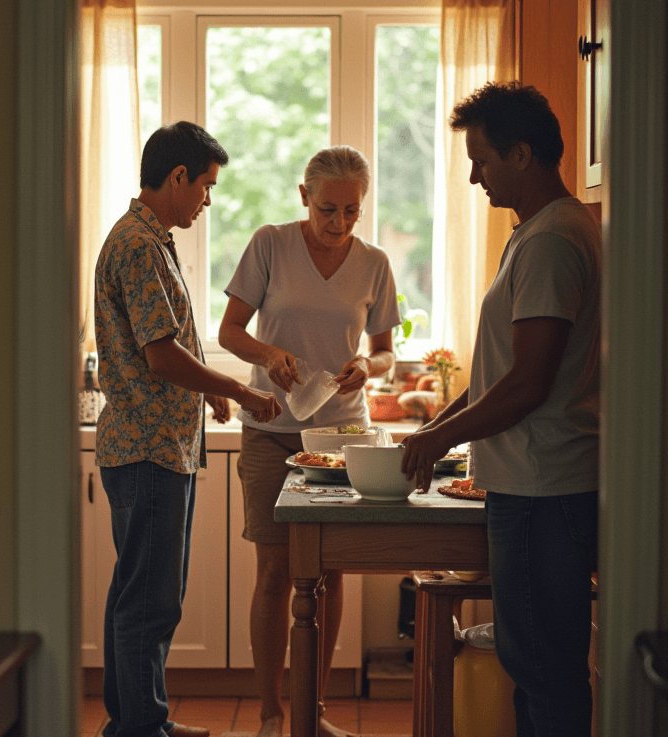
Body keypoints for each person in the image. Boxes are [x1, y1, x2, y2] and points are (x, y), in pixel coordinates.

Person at [401, 82, 601, 737]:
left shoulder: (551, 241)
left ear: (522, 154)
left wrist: (439, 440)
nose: (472, 177)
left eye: (481, 160)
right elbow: (501, 372)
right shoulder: (542, 231)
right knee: (535, 664)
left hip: (544, 486)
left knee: (543, 669)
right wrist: (437, 426)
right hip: (534, 482)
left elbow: (528, 384)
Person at [95, 121, 282, 737]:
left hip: (152, 446)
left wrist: (209, 395)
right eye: (206, 186)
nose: (207, 200)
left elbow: (164, 346)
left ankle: (136, 721)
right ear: (178, 177)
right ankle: (140, 728)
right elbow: (161, 355)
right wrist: (237, 389)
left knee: (136, 594)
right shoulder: (140, 245)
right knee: (150, 601)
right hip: (148, 449)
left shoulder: (146, 238)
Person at [218, 145, 402, 737]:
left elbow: (385, 352)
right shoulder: (270, 244)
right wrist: (268, 354)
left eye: (352, 211)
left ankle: (312, 713)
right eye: (328, 209)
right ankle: (272, 715)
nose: (339, 223)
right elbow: (229, 331)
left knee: (330, 572)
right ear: (304, 196)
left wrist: (368, 367)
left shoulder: (374, 263)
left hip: (342, 436)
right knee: (275, 571)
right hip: (270, 430)